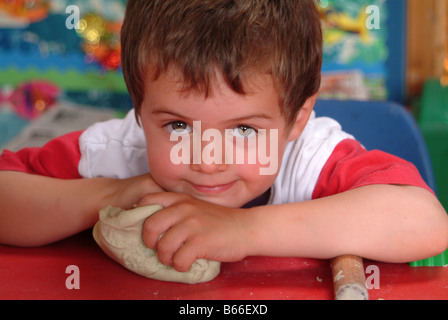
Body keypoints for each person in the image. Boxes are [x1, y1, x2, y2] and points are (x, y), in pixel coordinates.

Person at [0, 0, 447, 273]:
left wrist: (243, 230)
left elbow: (424, 222)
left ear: (296, 120)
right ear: (139, 109)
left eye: (245, 129)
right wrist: (112, 195)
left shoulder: (310, 157)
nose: (207, 160)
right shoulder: (115, 154)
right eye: (177, 126)